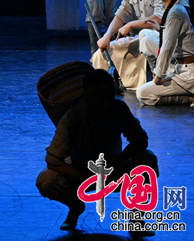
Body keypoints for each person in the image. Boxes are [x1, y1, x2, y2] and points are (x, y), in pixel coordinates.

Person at [36, 69, 159, 233]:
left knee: (147, 160)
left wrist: (115, 161)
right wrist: (83, 176)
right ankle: (75, 206)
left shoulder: (118, 109)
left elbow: (140, 141)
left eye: (108, 97)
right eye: (99, 98)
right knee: (46, 181)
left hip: (114, 170)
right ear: (87, 96)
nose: (105, 104)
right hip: (81, 172)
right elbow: (52, 161)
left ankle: (136, 219)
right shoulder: (72, 118)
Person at [92, 0, 164, 90]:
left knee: (141, 41)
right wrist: (107, 36)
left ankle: (136, 87)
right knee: (102, 53)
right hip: (137, 38)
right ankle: (104, 88)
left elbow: (158, 18)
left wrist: (131, 25)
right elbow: (123, 12)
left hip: (157, 37)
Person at [136, 0, 194, 106]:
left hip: (188, 72)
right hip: (177, 65)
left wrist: (159, 76)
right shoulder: (172, 8)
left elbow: (167, 47)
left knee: (143, 93)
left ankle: (188, 98)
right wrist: (160, 28)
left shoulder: (176, 13)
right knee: (145, 35)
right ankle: (158, 73)